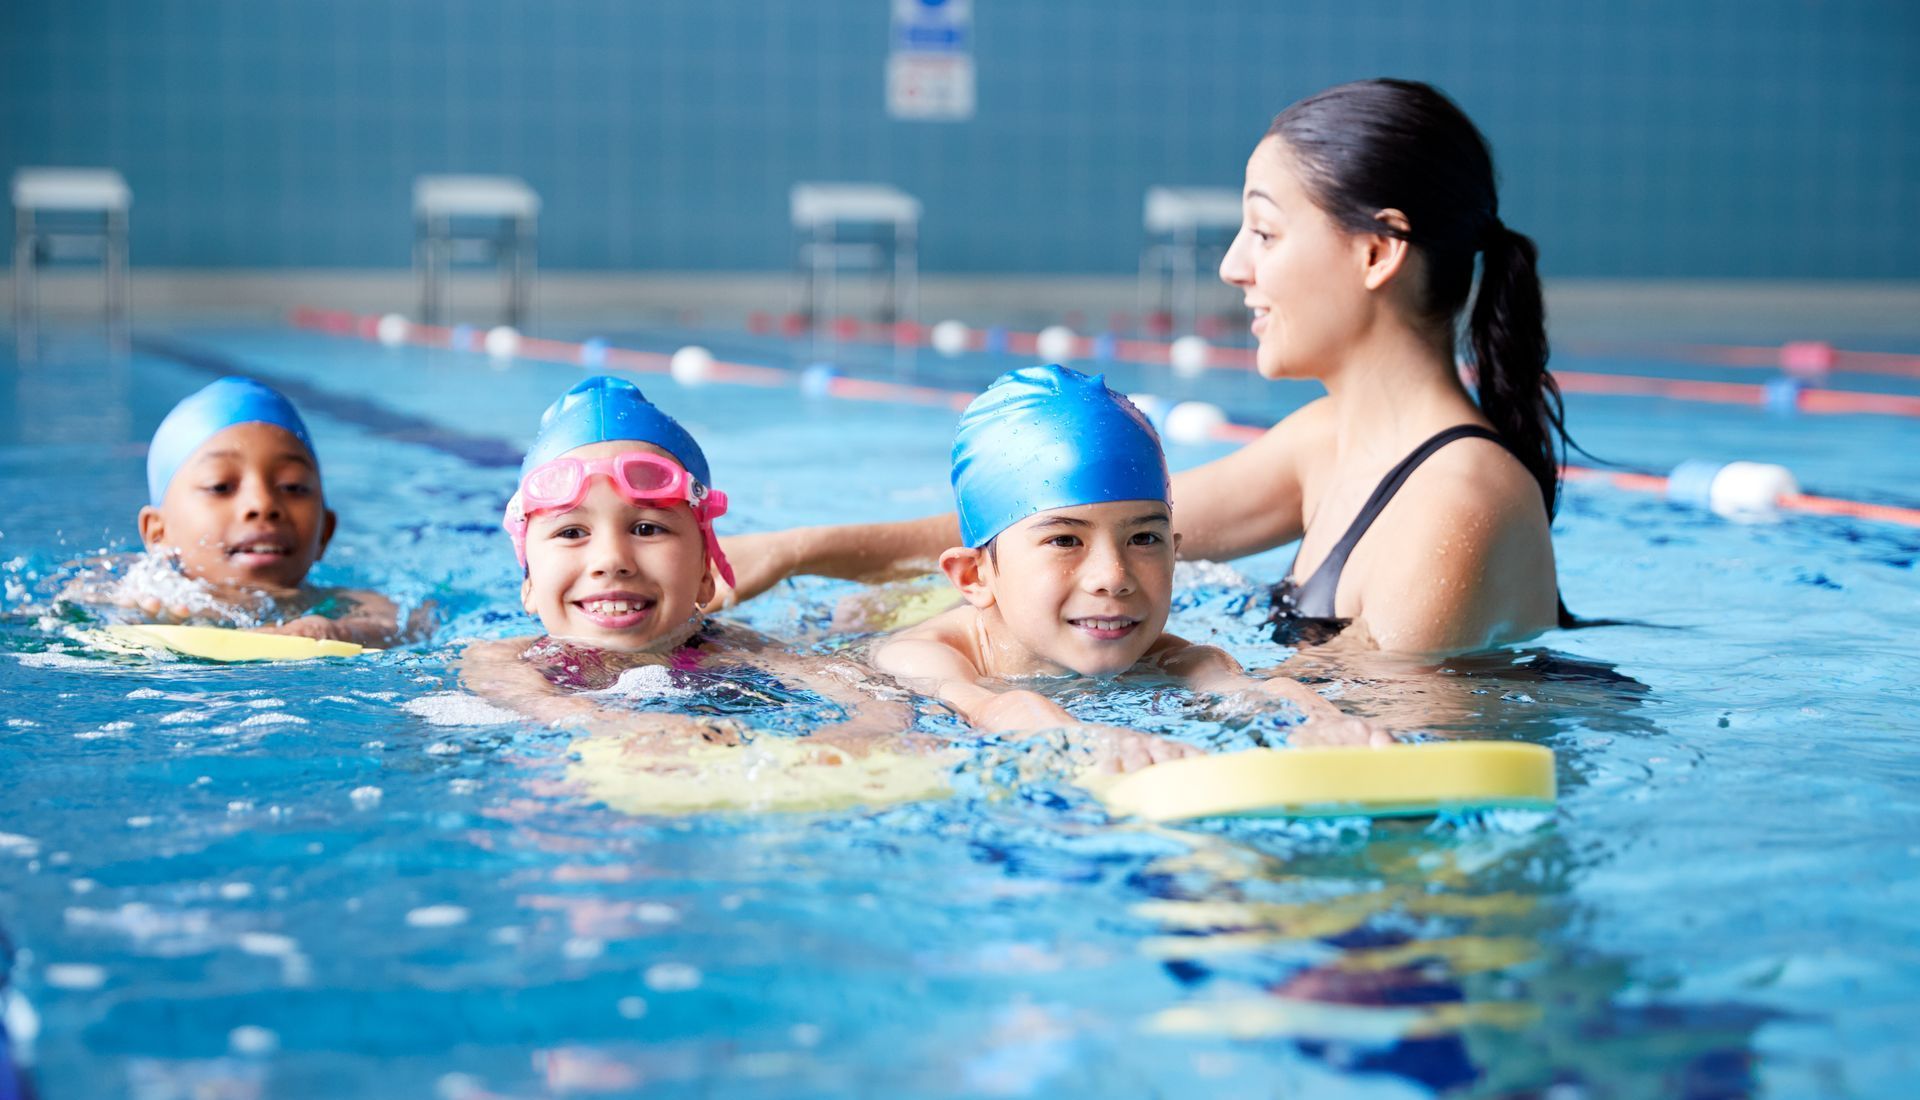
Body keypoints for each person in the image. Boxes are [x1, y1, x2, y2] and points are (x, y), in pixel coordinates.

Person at [717, 79, 1571, 658]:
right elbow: (1052, 525)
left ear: (1378, 251)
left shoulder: (1457, 503)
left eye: (1265, 233)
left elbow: (1353, 738)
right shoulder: (1332, 441)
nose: (1235, 266)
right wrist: (796, 556)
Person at [872, 365, 1386, 769]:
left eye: (1143, 538)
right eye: (1064, 539)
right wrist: (1075, 737)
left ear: (1175, 552)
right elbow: (988, 706)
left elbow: (1233, 685)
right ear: (974, 576)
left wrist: (1311, 716)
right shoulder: (920, 657)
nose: (1113, 577)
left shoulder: (1168, 656)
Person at [457, 376, 927, 766]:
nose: (610, 559)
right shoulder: (503, 660)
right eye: (571, 533)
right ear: (530, 584)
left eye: (646, 527)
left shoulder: (737, 649)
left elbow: (873, 698)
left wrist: (860, 735)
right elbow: (545, 707)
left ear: (706, 574)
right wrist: (634, 727)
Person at [63, 375, 407, 645]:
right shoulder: (139, 592)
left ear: (325, 532)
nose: (263, 505)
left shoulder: (343, 607)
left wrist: (333, 633)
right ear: (158, 531)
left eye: (292, 486)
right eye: (220, 486)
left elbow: (404, 626)